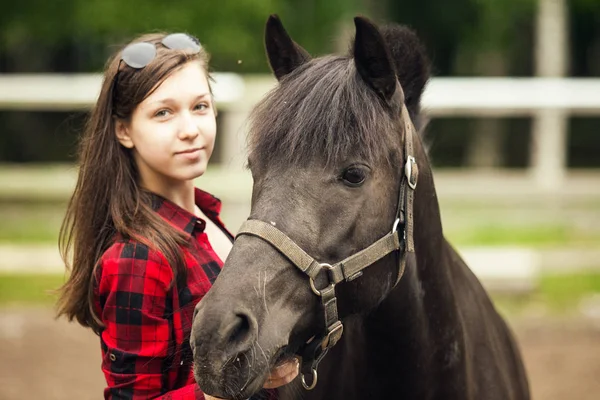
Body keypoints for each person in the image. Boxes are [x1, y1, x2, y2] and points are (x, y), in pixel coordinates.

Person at [56, 32, 298, 399]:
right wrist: (224, 390)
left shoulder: (207, 216)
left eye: (200, 106)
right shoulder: (137, 258)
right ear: (124, 131)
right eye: (163, 113)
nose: (190, 130)